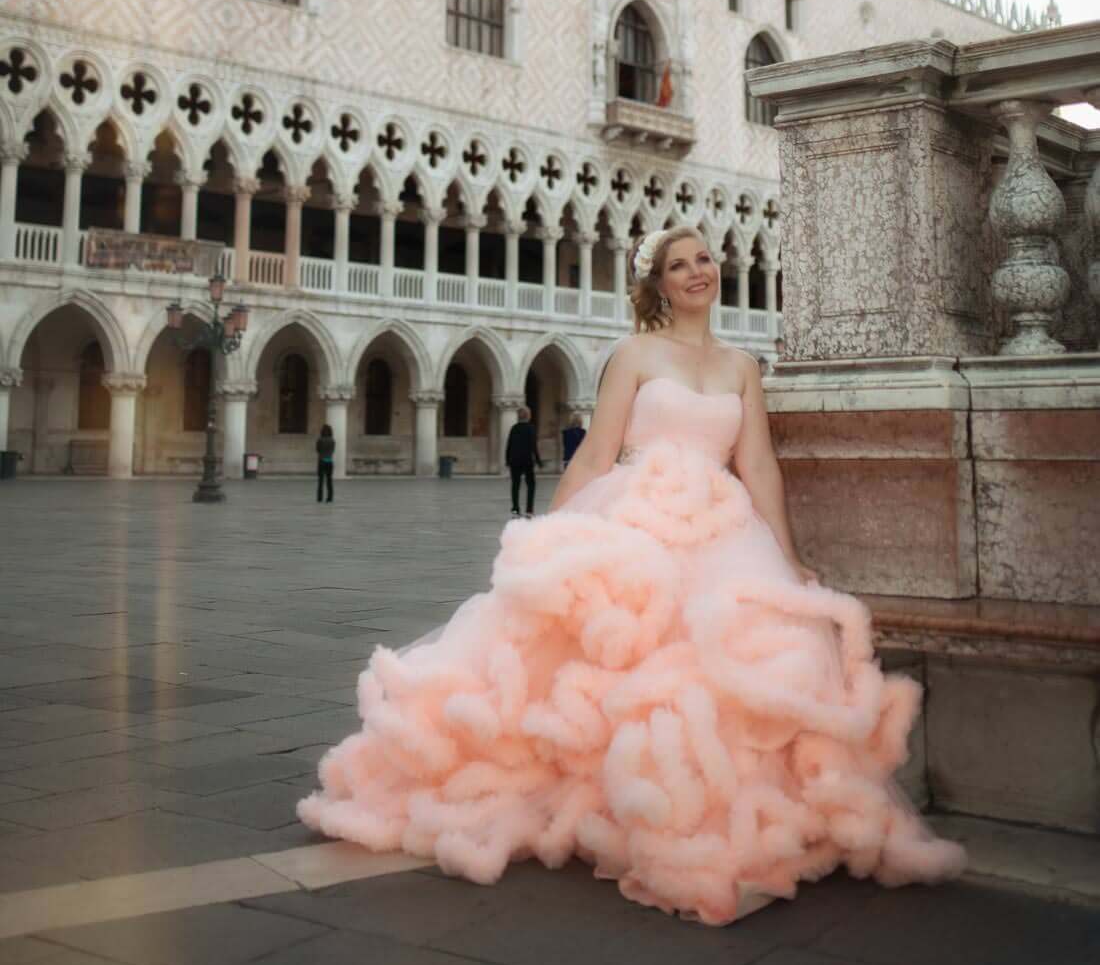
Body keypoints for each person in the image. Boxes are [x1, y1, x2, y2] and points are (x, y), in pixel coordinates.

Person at [300, 225, 966, 925]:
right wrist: (545, 538)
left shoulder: (742, 366)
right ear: (660, 285)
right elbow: (595, 457)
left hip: (722, 525)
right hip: (638, 518)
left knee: (739, 662)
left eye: (704, 259)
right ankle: (622, 800)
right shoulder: (635, 353)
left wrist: (789, 554)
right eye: (679, 265)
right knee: (620, 659)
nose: (696, 272)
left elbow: (759, 464)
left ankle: (715, 808)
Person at [504, 404, 541, 518]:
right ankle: (529, 510)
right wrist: (539, 461)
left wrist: (507, 459)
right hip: (527, 460)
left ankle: (515, 510)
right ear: (528, 416)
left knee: (515, 485)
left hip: (514, 460)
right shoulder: (531, 428)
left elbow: (509, 445)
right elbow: (533, 446)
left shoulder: (514, 428)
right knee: (531, 485)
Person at [315, 423, 336, 503]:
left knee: (320, 480)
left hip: (321, 461)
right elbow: (333, 450)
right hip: (329, 461)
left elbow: (317, 449)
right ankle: (330, 497)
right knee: (329, 480)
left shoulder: (320, 439)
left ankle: (320, 498)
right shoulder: (332, 440)